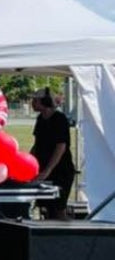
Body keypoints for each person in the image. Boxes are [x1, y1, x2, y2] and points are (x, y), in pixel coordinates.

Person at [31, 87, 76, 220]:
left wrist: (47, 170)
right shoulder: (40, 119)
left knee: (58, 210)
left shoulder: (59, 119)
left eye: (36, 100)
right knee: (45, 209)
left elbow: (61, 146)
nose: (33, 103)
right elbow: (37, 144)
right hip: (44, 170)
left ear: (45, 101)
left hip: (61, 171)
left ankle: (65, 236)